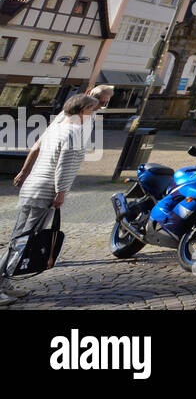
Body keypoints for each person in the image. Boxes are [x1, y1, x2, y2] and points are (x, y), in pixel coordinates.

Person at [1, 94, 101, 305]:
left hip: (32, 188)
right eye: (92, 110)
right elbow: (64, 166)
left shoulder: (55, 128)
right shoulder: (74, 132)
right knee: (23, 241)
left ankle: (5, 284)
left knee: (18, 238)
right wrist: (61, 191)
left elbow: (37, 149)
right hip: (45, 191)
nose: (93, 114)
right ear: (83, 110)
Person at [12, 84, 113, 191]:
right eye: (100, 101)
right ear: (89, 95)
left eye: (105, 103)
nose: (100, 106)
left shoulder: (91, 115)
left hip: (60, 177)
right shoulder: (68, 116)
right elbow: (40, 143)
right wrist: (24, 171)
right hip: (46, 173)